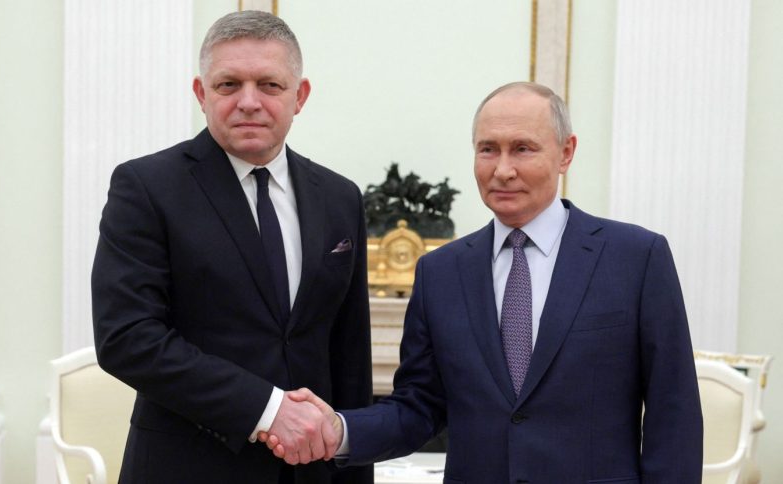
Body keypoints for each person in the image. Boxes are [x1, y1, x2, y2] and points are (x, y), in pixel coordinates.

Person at [263, 82, 704, 483]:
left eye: (524, 149)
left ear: (566, 152)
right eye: (488, 149)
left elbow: (674, 413)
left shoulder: (636, 258)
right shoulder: (440, 272)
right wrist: (339, 430)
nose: (503, 169)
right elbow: (419, 406)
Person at [91, 10, 373, 484]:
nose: (249, 102)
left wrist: (351, 467)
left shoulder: (340, 197)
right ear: (202, 94)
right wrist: (267, 409)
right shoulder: (145, 187)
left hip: (312, 474)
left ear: (299, 96)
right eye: (228, 85)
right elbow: (127, 339)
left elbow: (349, 357)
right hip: (187, 468)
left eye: (269, 84)